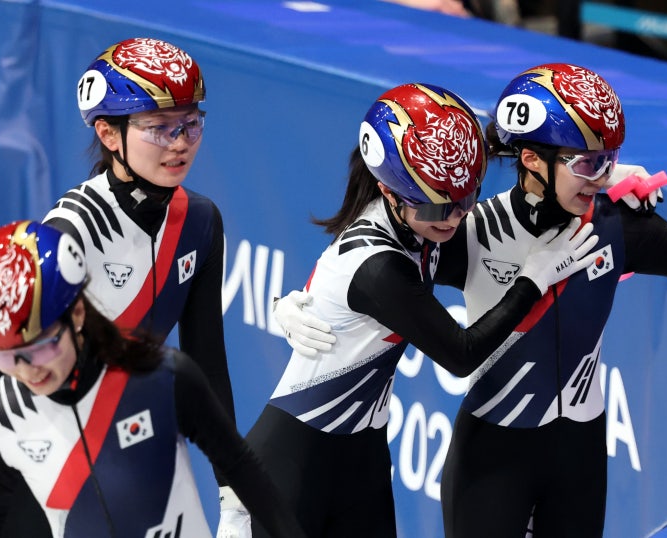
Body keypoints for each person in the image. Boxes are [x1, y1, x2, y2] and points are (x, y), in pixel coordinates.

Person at [244, 81, 601, 538]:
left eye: (465, 200)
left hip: (364, 457)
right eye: (437, 207)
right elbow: (462, 353)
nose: (453, 218)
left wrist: (606, 171)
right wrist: (532, 280)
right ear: (388, 191)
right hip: (292, 461)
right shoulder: (379, 267)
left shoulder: (415, 222)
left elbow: (517, 150)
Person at [433, 63, 667, 537]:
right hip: (493, 455)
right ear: (531, 160)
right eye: (588, 163)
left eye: (609, 160)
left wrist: (593, 173)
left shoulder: (618, 224)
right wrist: (310, 299)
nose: (601, 177)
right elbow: (384, 271)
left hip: (579, 454)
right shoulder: (473, 232)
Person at [0, 37, 242, 538]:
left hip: (125, 442)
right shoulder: (74, 228)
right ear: (109, 133)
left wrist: (233, 497)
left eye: (191, 123)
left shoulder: (202, 221)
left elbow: (208, 360)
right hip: (37, 452)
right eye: (159, 128)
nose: (181, 141)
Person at [0, 220, 307, 538]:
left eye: (42, 346)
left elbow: (242, 468)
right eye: (5, 357)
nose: (28, 370)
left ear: (76, 312)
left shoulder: (163, 377)